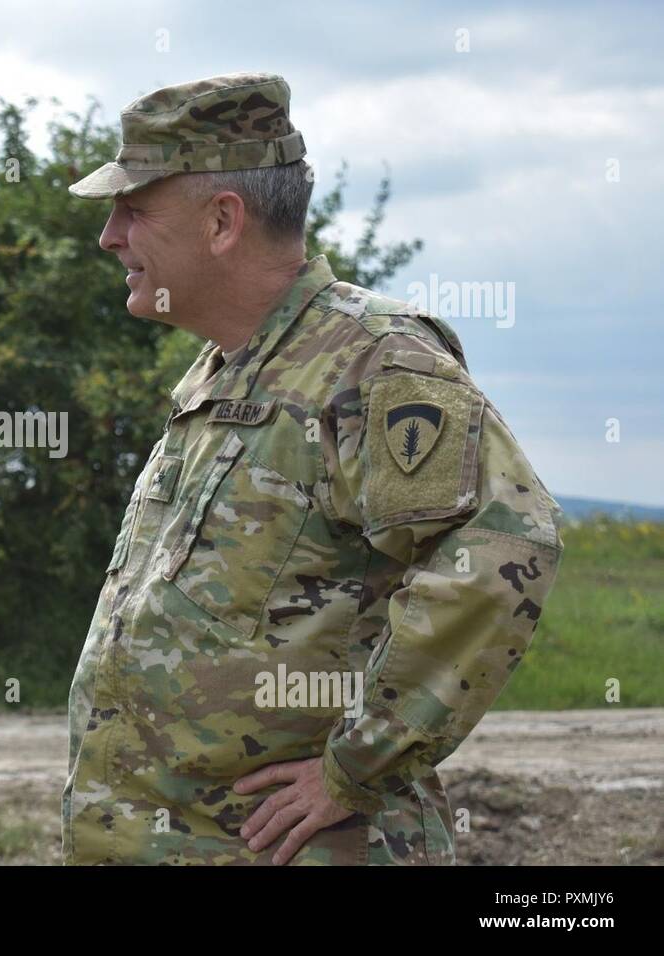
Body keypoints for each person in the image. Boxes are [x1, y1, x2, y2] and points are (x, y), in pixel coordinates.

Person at [61, 74, 564, 865]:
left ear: (222, 221)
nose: (110, 237)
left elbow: (501, 546)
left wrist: (355, 769)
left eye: (133, 209)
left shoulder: (375, 362)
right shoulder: (223, 374)